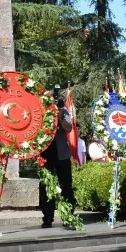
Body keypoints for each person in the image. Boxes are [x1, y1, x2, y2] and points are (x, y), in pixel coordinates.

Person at [38, 95, 76, 229]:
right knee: (46, 187)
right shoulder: (40, 110)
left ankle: (68, 217)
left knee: (66, 186)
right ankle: (47, 218)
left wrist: (59, 117)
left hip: (62, 153)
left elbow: (69, 128)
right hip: (45, 153)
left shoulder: (63, 111)